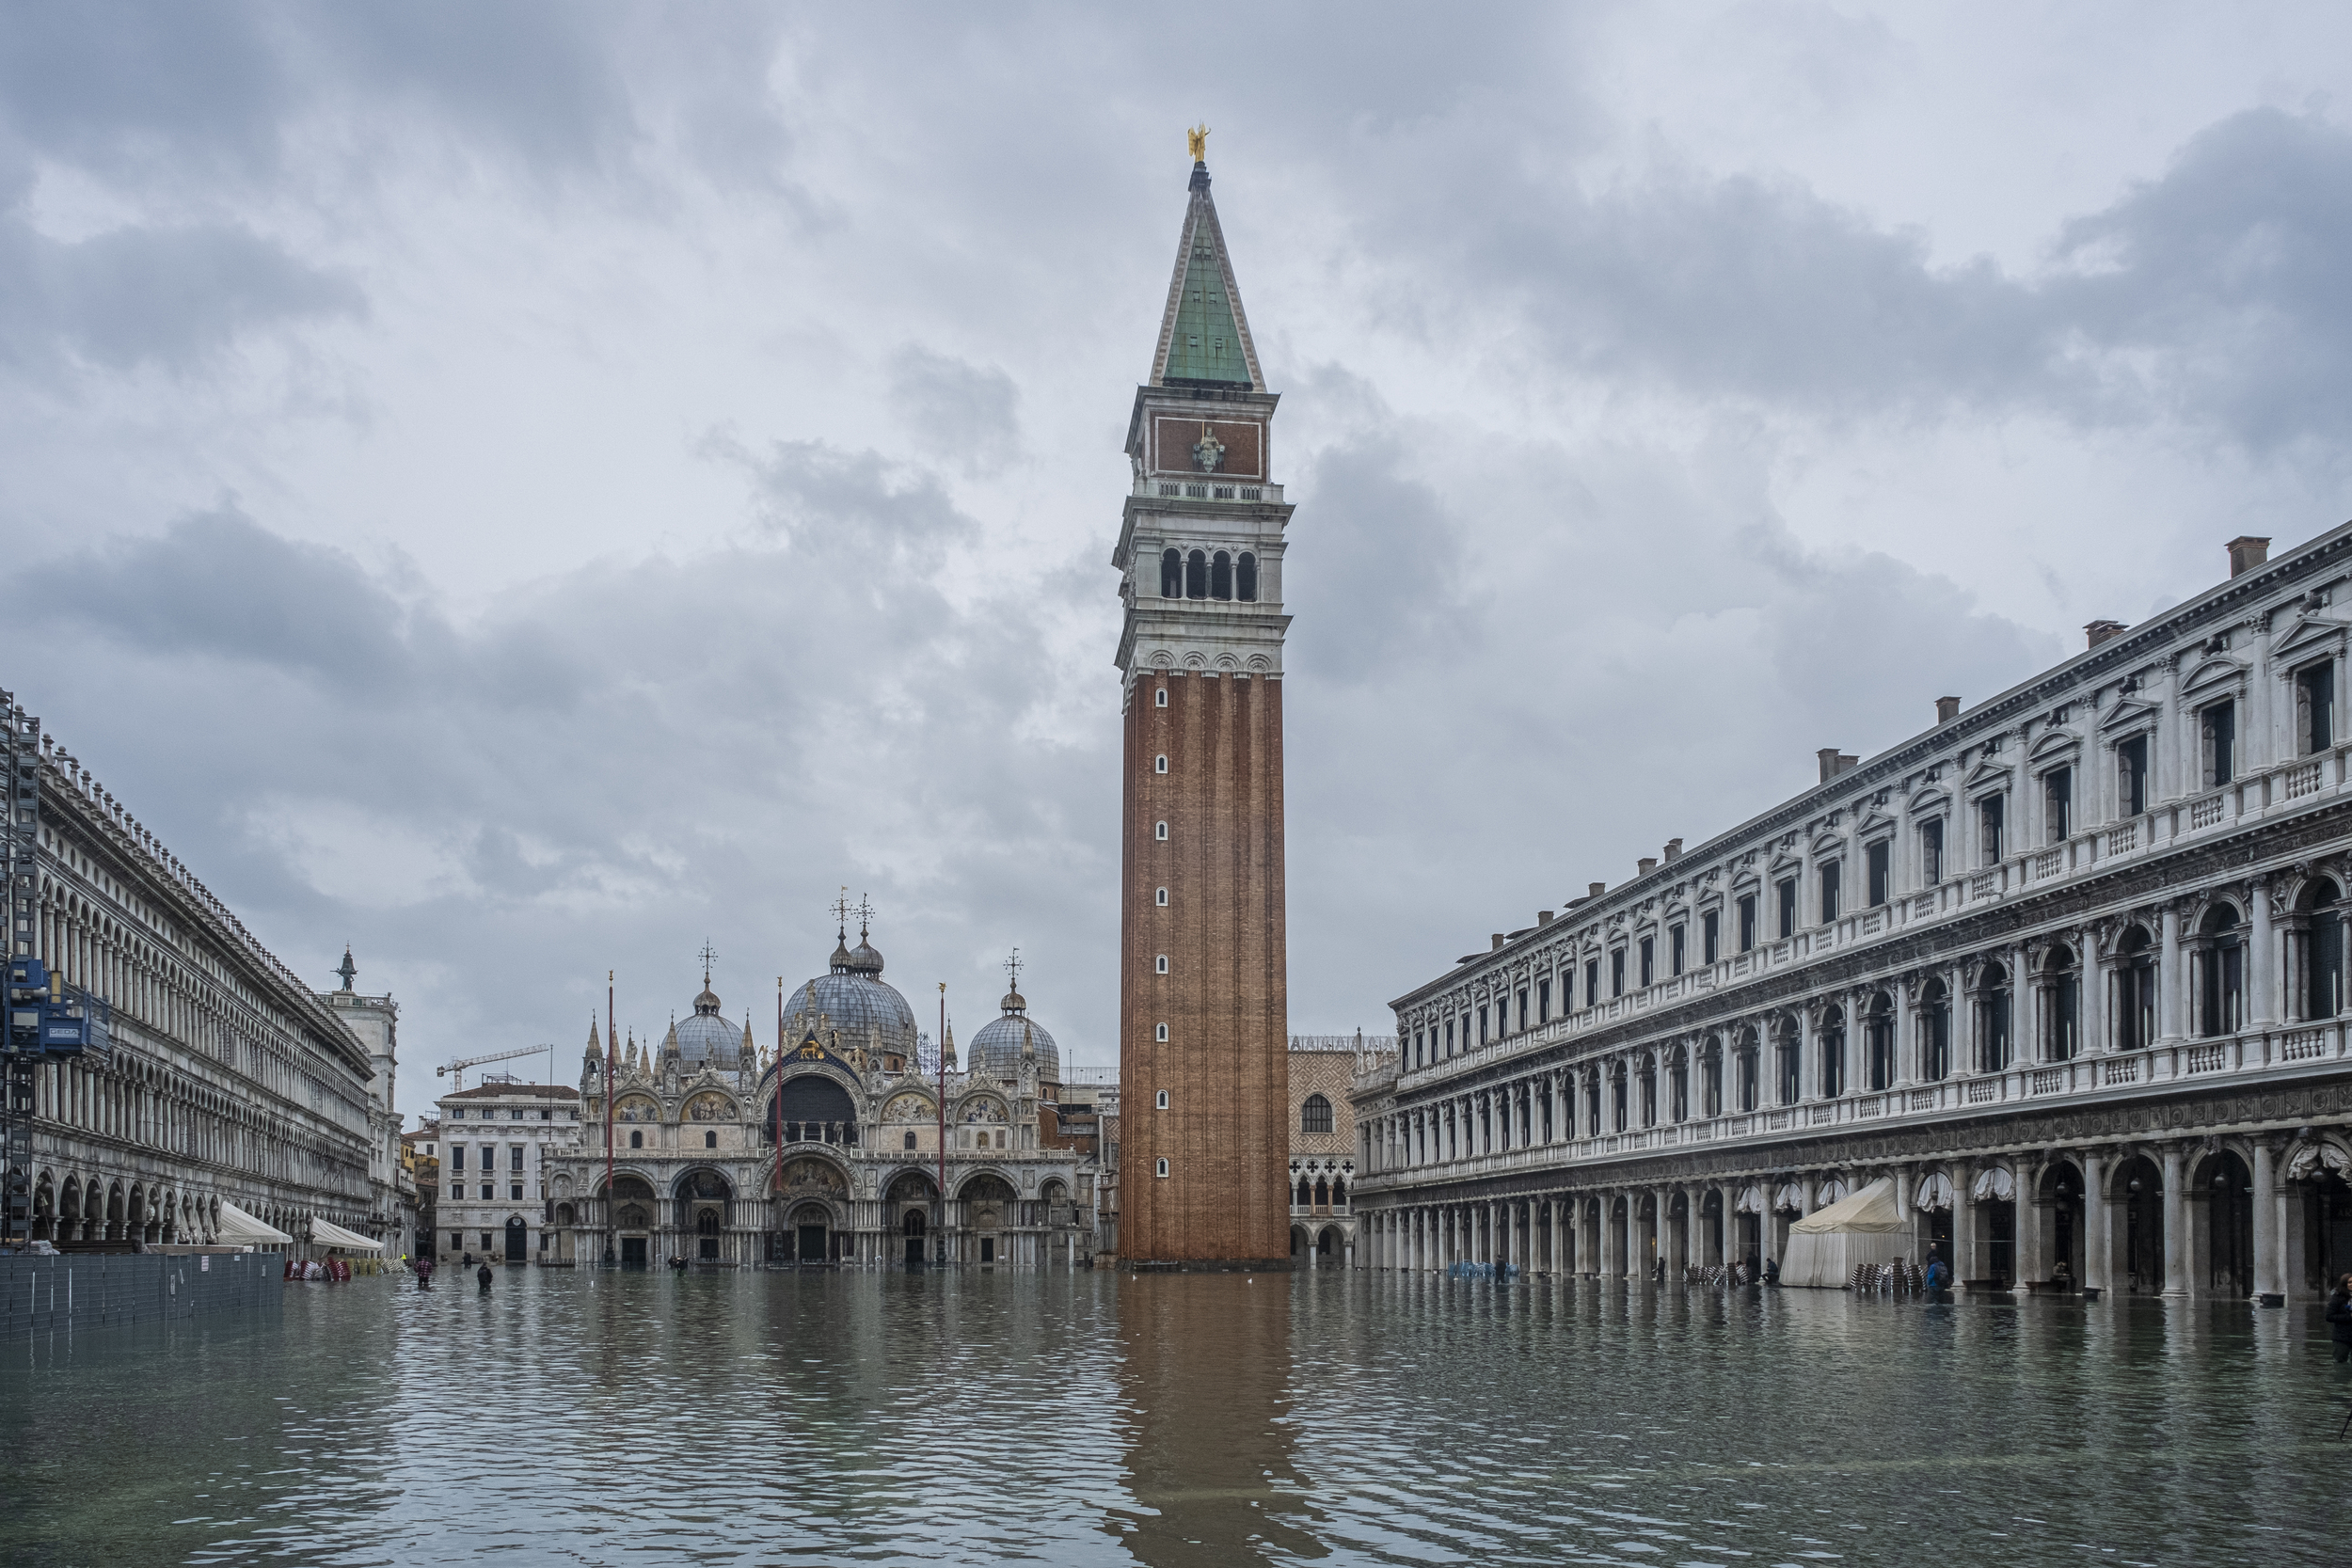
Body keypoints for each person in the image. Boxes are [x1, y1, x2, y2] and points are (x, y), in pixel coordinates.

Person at [2328, 1274, 2352, 1364]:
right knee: (2340, 1362)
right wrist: (2349, 1317)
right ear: (2344, 1284)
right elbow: (2329, 1316)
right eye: (2349, 1282)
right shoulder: (2337, 1297)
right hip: (2342, 1337)